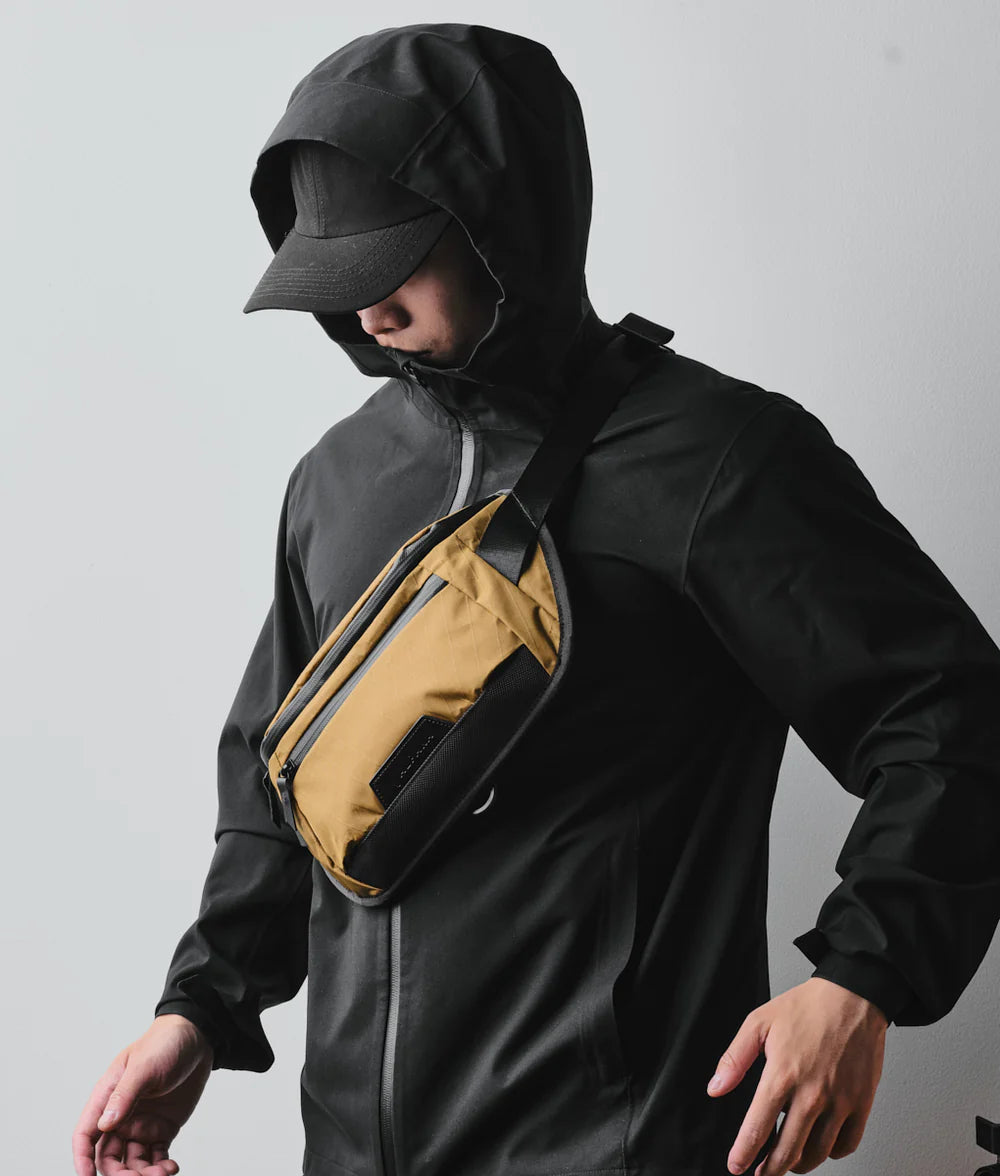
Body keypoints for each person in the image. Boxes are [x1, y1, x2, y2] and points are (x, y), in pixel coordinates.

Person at [73, 22, 1000, 1176]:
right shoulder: (336, 480)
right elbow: (277, 789)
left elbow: (950, 716)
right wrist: (199, 1014)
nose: (365, 313)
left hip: (612, 1148)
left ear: (502, 221)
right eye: (334, 276)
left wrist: (861, 978)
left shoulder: (715, 460)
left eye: (390, 263)